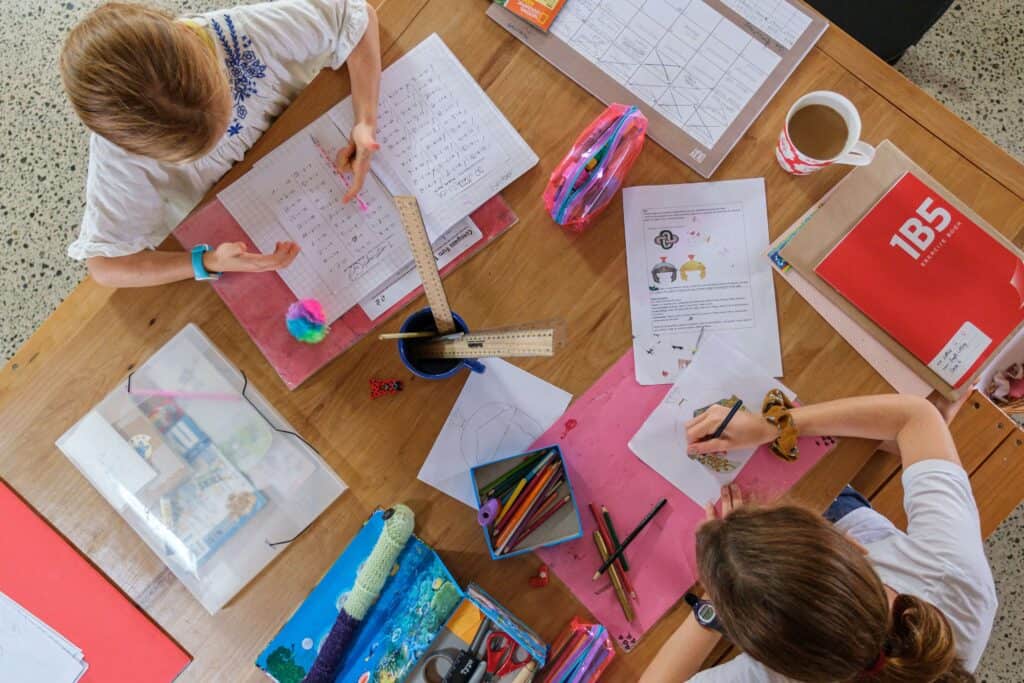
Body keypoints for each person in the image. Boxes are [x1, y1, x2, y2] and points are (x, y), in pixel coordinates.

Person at [639, 395, 997, 682]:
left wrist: (716, 601)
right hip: (842, 512)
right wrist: (777, 425)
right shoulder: (956, 579)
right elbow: (918, 416)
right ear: (855, 547)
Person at [60, 0, 381, 287]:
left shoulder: (243, 33)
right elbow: (106, 266)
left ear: (200, 50)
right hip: (245, 216)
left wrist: (365, 119)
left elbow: (355, 16)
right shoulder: (118, 153)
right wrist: (205, 261)